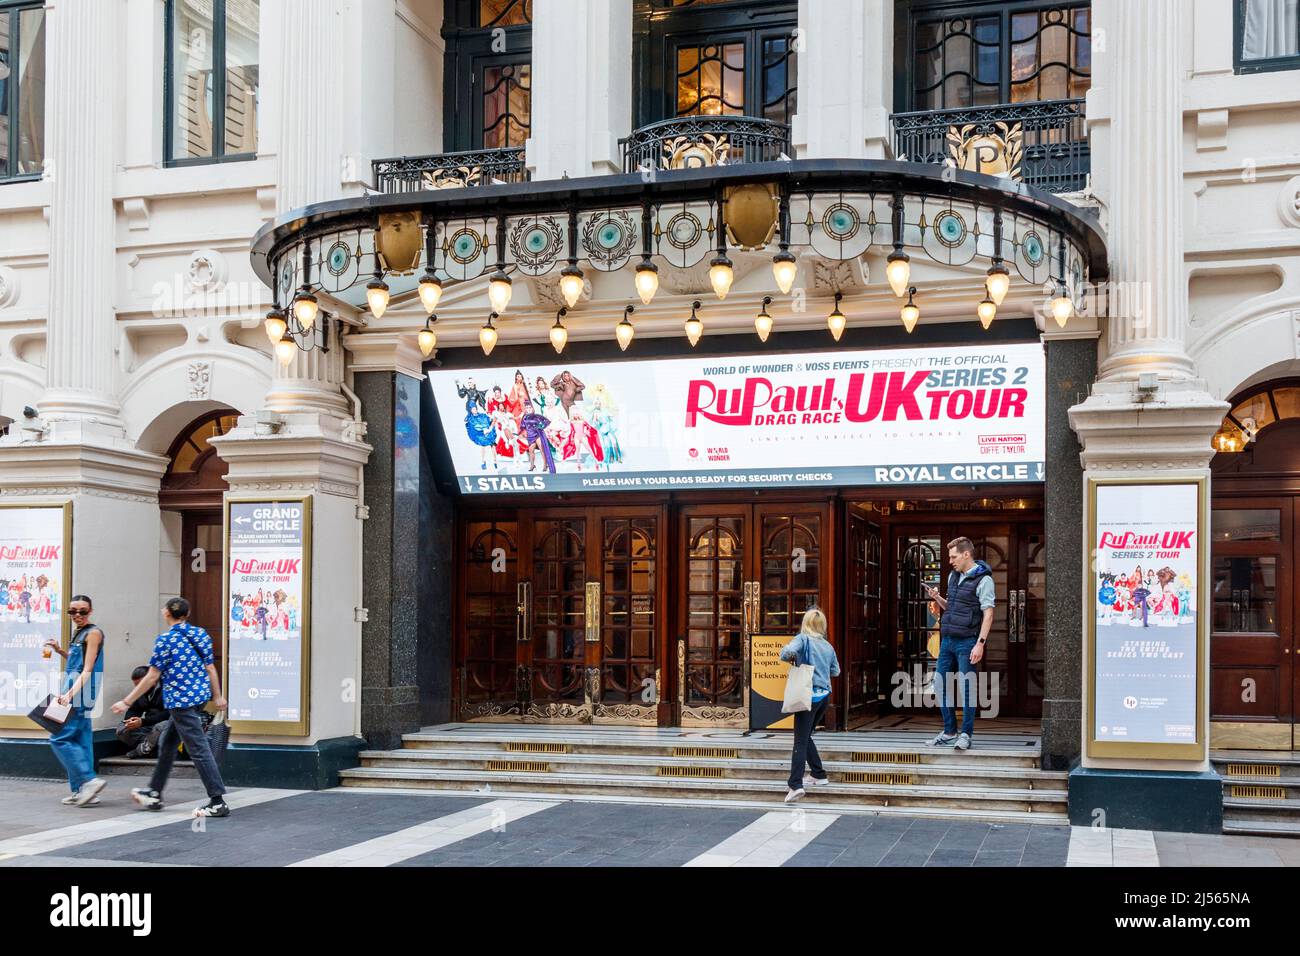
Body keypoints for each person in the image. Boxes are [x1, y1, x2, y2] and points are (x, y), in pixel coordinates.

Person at [111, 597, 230, 818]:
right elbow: (211, 667)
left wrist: (126, 701)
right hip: (199, 698)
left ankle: (217, 800)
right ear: (188, 613)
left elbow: (152, 676)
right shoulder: (200, 634)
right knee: (167, 742)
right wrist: (218, 696)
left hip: (180, 702)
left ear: (166, 613)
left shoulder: (165, 640)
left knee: (198, 749)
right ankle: (155, 792)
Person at [924, 537, 994, 751]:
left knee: (967, 687)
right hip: (948, 640)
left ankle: (966, 734)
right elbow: (951, 606)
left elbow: (988, 613)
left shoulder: (984, 580)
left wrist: (980, 644)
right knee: (940, 684)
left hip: (967, 641)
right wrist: (937, 598)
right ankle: (949, 731)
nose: (951, 561)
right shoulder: (953, 576)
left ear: (966, 554)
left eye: (953, 556)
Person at [44, 595, 107, 807]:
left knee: (59, 738)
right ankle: (82, 791)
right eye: (73, 611)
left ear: (90, 611)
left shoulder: (94, 632)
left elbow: (87, 668)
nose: (77, 615)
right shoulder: (79, 633)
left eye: (82, 611)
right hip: (74, 691)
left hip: (78, 693)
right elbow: (76, 662)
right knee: (81, 740)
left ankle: (88, 780)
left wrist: (70, 694)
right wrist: (60, 650)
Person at [779, 607, 841, 804]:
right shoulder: (827, 646)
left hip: (807, 696)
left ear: (806, 623)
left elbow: (785, 653)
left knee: (799, 741)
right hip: (824, 698)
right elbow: (836, 671)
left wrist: (792, 658)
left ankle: (795, 785)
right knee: (806, 737)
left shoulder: (803, 639)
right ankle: (818, 774)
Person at [116, 665, 170, 758]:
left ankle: (141, 750)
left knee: (160, 727)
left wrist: (143, 722)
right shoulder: (141, 692)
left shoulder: (167, 688)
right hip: (148, 727)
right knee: (122, 729)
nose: (138, 688)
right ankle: (150, 749)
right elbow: (134, 709)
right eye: (136, 686)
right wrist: (130, 722)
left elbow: (168, 714)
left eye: (141, 685)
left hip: (166, 726)